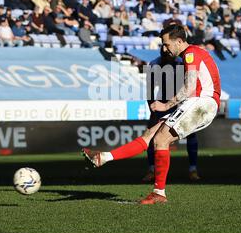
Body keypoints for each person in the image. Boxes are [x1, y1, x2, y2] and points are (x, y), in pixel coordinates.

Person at [82, 24, 221, 204]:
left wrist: (166, 105)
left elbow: (190, 87)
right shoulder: (190, 54)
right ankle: (103, 157)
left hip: (202, 102)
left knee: (161, 139)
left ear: (179, 41)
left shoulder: (190, 54)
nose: (164, 49)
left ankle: (159, 192)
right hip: (196, 103)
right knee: (150, 135)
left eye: (166, 44)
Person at [143, 45, 200, 182]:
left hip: (181, 102)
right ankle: (152, 169)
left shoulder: (182, 62)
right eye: (164, 51)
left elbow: (190, 83)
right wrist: (152, 106)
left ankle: (193, 169)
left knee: (190, 134)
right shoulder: (154, 64)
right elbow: (150, 88)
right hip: (162, 102)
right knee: (152, 135)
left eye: (168, 50)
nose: (166, 52)